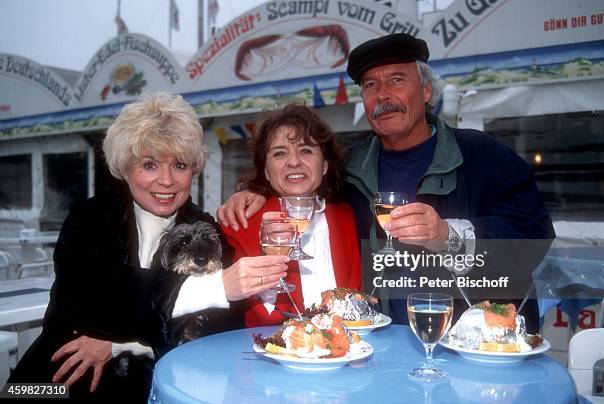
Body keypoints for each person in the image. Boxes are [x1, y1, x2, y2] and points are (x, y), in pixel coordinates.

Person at [217, 34, 555, 331]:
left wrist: (446, 237)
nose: (383, 95)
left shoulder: (482, 156)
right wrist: (257, 192)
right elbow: (301, 184)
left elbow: (534, 240)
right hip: (383, 345)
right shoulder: (350, 167)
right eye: (370, 85)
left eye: (396, 80)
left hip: (472, 344)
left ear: (425, 91)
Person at [8, 93, 288, 402]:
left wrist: (121, 344)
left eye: (179, 165)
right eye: (150, 164)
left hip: (156, 384)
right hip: (54, 381)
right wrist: (213, 288)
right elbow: (90, 305)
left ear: (193, 170)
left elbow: (220, 325)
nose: (166, 181)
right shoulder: (89, 218)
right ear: (125, 168)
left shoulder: (207, 228)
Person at [222, 103, 362, 326]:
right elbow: (242, 313)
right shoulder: (239, 223)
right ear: (267, 172)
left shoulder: (348, 218)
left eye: (306, 150)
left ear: (325, 165)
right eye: (279, 153)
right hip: (267, 356)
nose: (294, 162)